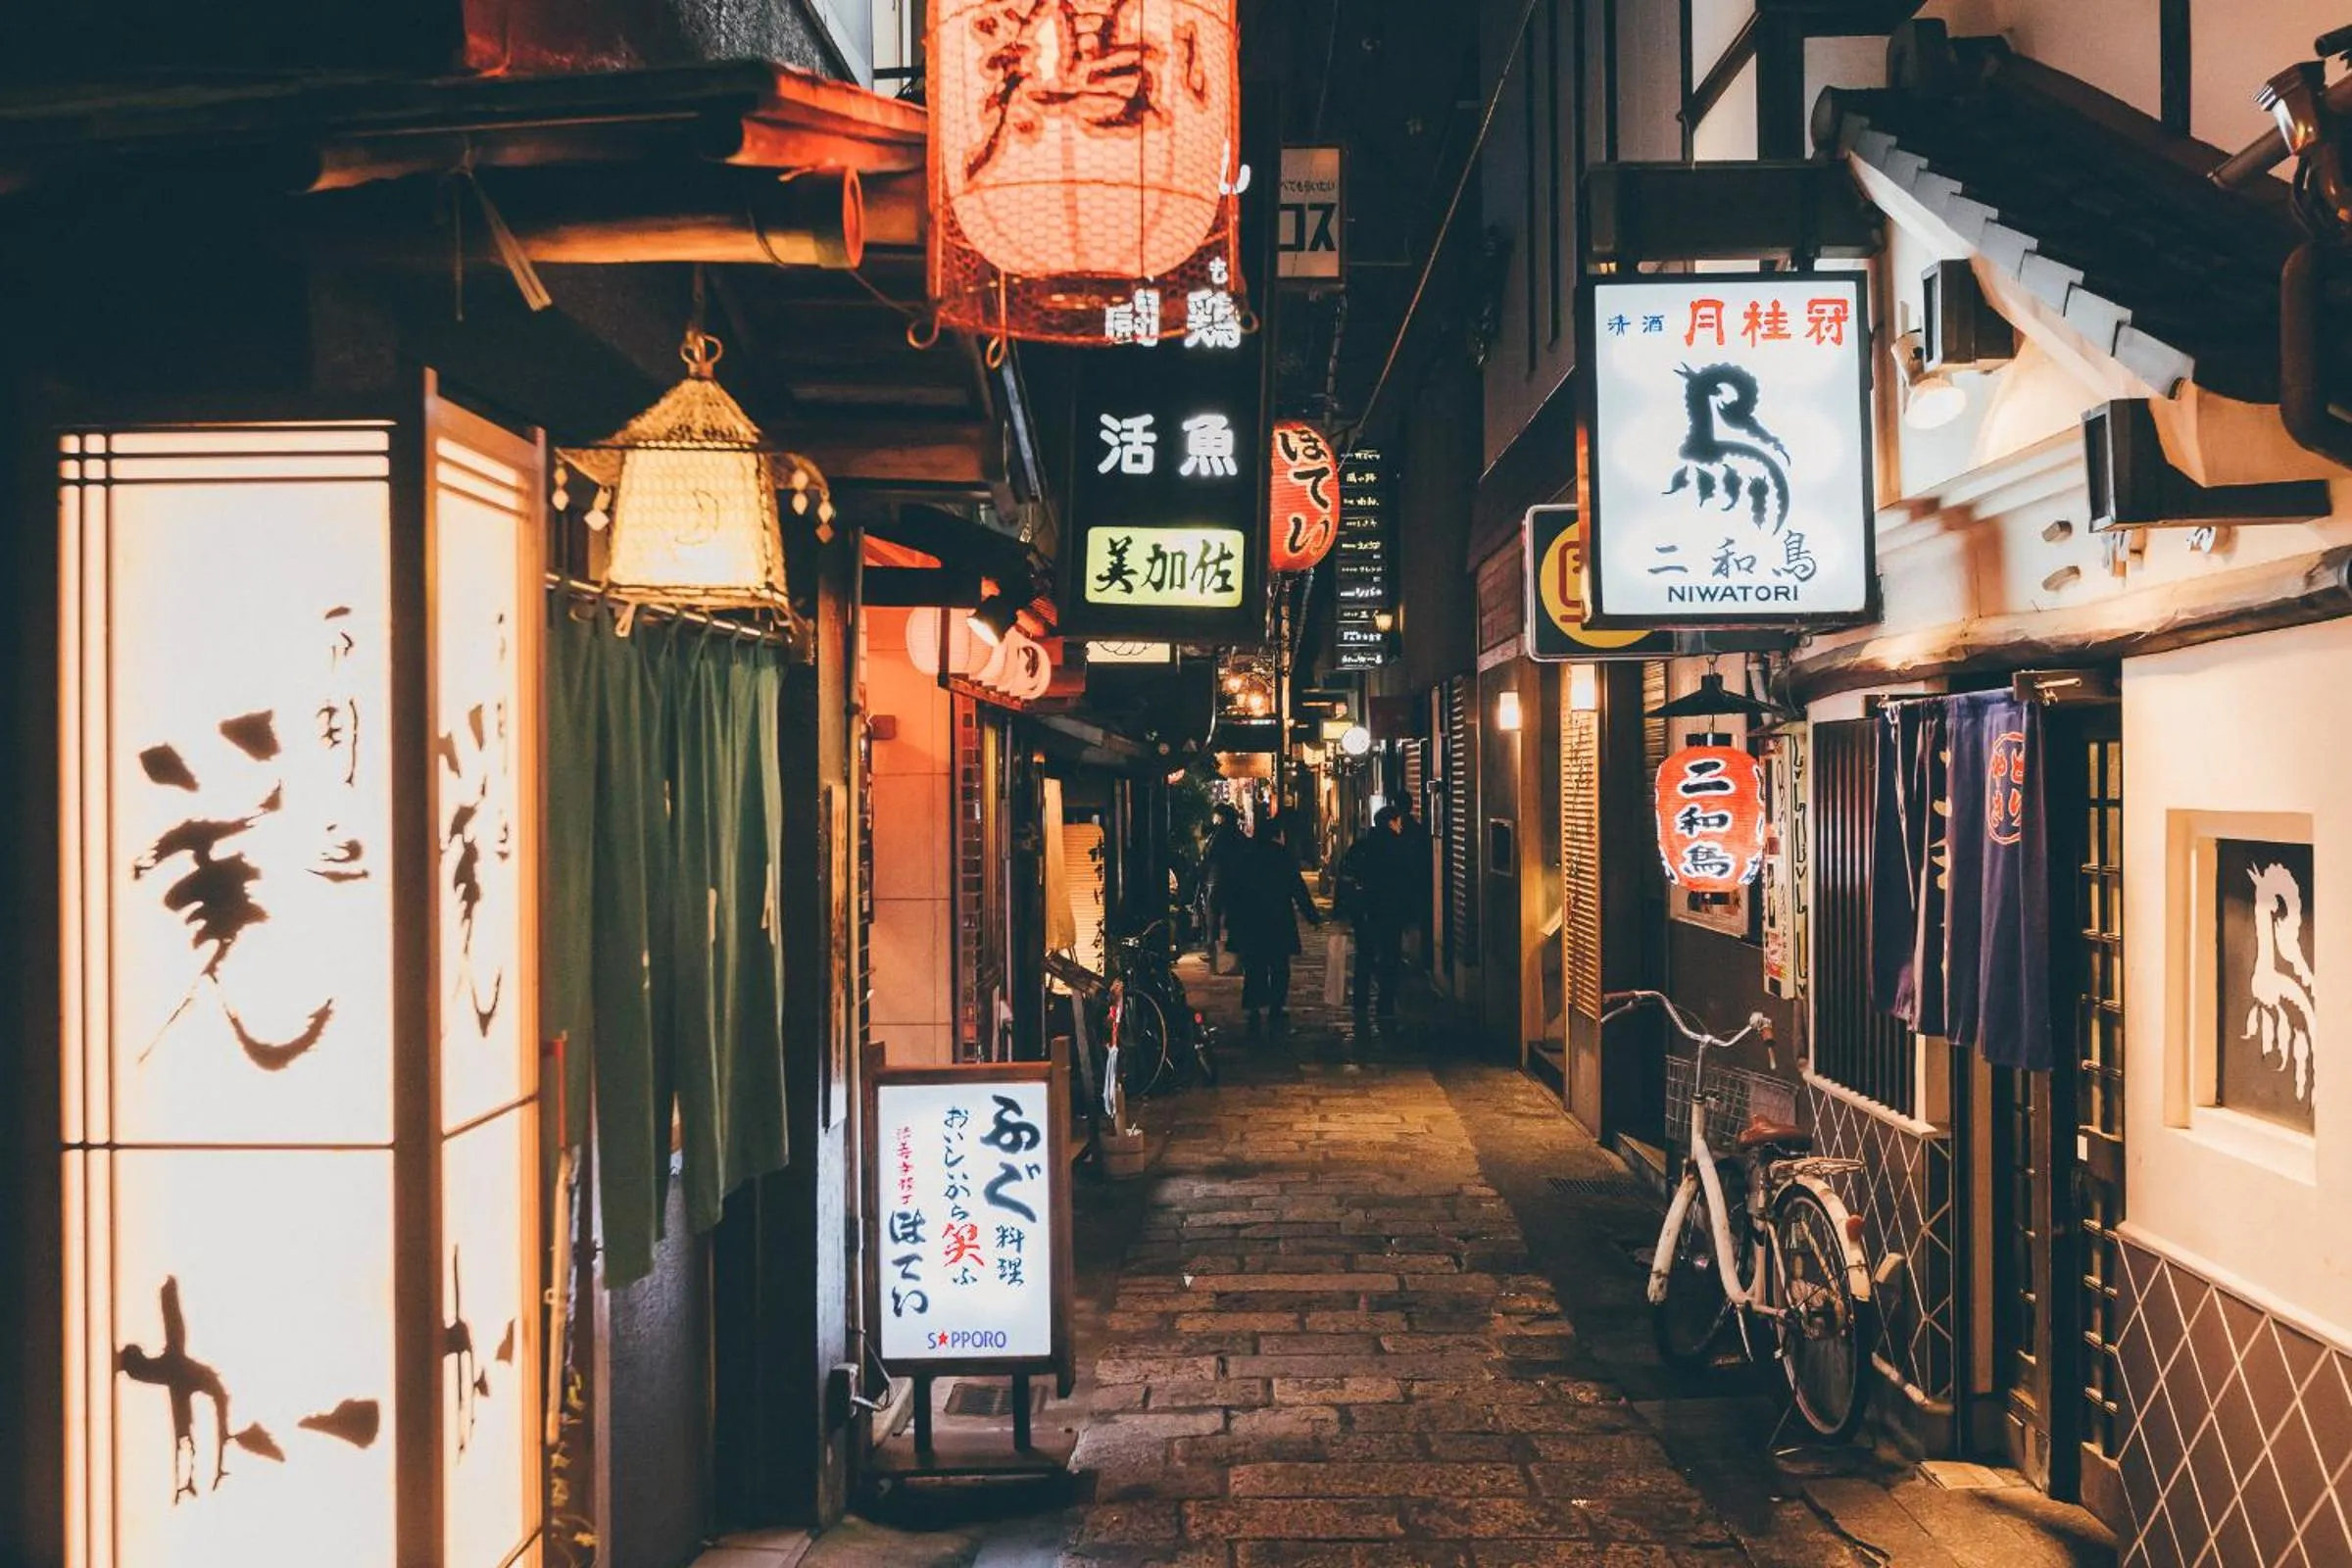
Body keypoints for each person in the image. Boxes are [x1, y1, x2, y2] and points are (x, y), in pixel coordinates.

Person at [1225, 817, 1322, 1034]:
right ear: (1276, 835)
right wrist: (1312, 916)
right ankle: (1276, 1007)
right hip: (1277, 918)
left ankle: (1254, 1009)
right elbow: (1297, 888)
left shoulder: (1245, 856)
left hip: (1251, 919)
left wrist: (1231, 920)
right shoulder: (1281, 856)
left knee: (1254, 967)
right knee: (1279, 966)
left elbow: (1233, 890)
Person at [1338, 805, 1410, 1018]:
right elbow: (1407, 881)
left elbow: (1345, 874)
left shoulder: (1362, 846)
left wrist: (1346, 906)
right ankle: (1385, 1005)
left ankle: (1360, 1003)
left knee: (1365, 956)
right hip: (1390, 911)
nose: (1400, 826)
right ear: (1391, 822)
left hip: (1364, 911)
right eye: (1399, 821)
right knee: (1390, 957)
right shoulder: (1399, 847)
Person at [1199, 804, 1249, 974]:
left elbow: (1209, 856)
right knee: (1236, 922)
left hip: (1218, 881)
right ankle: (1237, 961)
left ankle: (1213, 958)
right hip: (1235, 882)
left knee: (1213, 919)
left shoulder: (1219, 835)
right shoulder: (1239, 836)